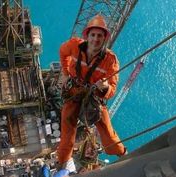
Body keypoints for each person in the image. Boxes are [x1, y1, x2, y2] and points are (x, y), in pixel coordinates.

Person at [54, 14, 126, 176]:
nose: (95, 39)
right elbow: (62, 52)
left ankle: (123, 155)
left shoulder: (110, 60)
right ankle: (63, 163)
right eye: (93, 35)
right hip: (74, 92)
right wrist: (65, 73)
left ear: (104, 38)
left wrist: (106, 87)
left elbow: (112, 91)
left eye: (99, 36)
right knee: (67, 135)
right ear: (87, 36)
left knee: (107, 133)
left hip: (94, 98)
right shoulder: (74, 45)